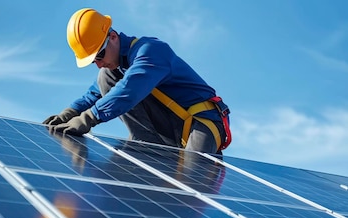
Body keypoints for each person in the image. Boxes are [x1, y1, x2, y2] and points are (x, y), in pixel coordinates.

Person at [44, 8, 231, 155]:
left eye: (99, 55)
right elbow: (93, 94)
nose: (99, 64)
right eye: (94, 61)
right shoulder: (116, 68)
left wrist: (88, 119)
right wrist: (69, 113)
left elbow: (129, 91)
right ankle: (149, 144)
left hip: (202, 121)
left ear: (113, 37)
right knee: (105, 77)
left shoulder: (151, 51)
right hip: (168, 125)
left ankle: (157, 150)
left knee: (189, 183)